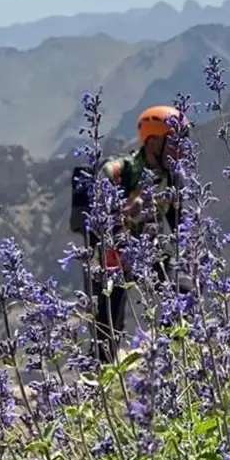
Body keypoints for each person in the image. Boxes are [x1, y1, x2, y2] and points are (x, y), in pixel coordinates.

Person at [85, 104, 193, 363]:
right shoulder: (117, 173)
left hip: (149, 251)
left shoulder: (173, 179)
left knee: (184, 292)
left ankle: (172, 356)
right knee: (110, 323)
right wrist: (127, 212)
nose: (182, 149)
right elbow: (93, 225)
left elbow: (179, 225)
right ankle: (102, 373)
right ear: (154, 142)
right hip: (113, 256)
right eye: (176, 141)